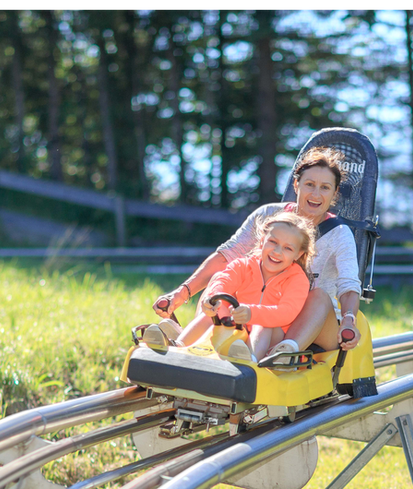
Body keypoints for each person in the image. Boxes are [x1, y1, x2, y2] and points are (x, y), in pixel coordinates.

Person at [152, 146, 362, 356]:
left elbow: (348, 285)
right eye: (309, 184)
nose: (316, 194)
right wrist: (181, 293)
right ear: (296, 184)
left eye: (325, 187)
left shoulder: (339, 234)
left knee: (319, 296)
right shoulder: (269, 216)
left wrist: (348, 320)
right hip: (256, 313)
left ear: (334, 193)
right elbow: (227, 256)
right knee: (220, 282)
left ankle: (282, 355)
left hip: (309, 322)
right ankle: (193, 344)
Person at [162, 212, 315, 361]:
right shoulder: (244, 265)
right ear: (262, 241)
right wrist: (212, 299)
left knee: (263, 325)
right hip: (238, 326)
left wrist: (252, 313)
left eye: (288, 248)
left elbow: (286, 313)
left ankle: (251, 360)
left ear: (298, 254)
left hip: (270, 337)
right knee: (212, 312)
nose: (277, 251)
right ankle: (177, 347)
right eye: (273, 242)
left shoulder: (297, 279)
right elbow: (223, 280)